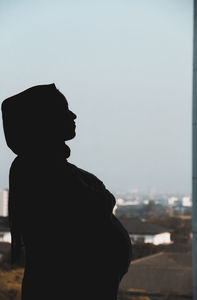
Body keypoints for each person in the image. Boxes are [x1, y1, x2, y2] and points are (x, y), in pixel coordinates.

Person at [1, 83, 132, 300]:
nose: (73, 115)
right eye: (63, 110)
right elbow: (93, 207)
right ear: (42, 120)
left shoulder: (49, 165)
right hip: (66, 288)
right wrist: (103, 195)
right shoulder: (37, 167)